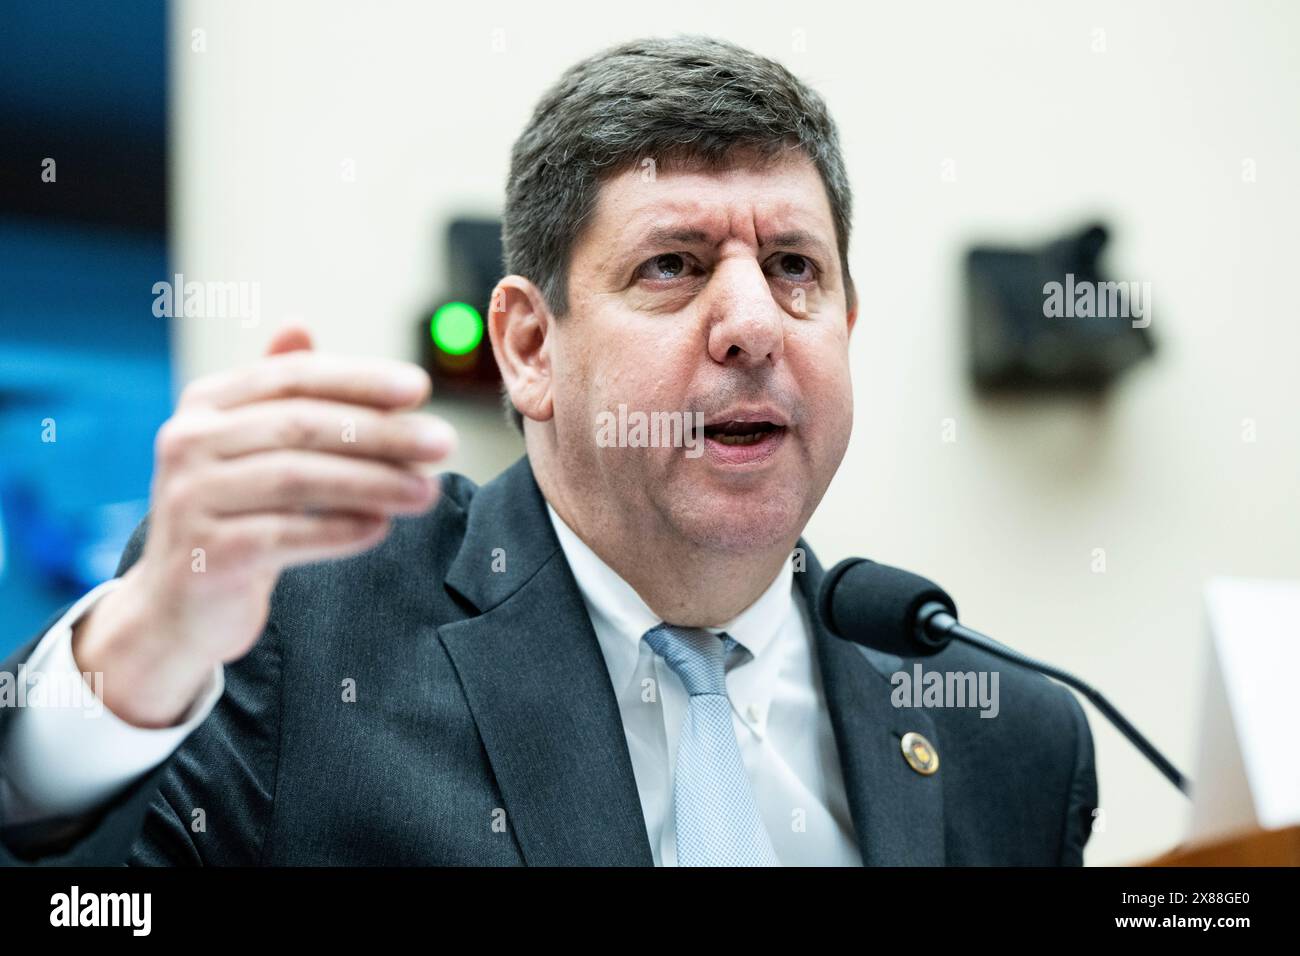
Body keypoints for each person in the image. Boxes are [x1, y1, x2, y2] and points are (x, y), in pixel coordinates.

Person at [0, 35, 1096, 866]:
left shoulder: (1009, 732)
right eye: (671, 263)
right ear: (529, 346)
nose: (754, 322)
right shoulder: (308, 618)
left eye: (796, 268)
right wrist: (140, 654)